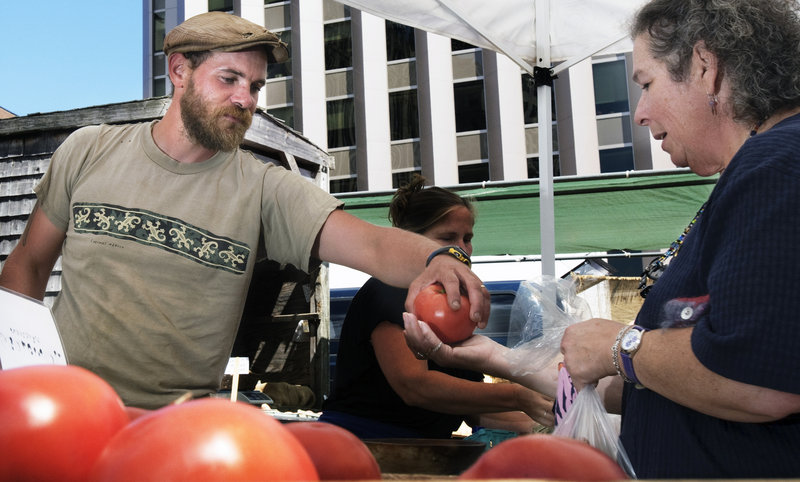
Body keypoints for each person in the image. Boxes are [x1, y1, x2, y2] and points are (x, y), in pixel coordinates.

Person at [0, 12, 489, 410]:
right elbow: (29, 262)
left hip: (176, 431)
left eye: (255, 87)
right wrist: (19, 375)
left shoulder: (264, 189)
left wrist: (438, 260)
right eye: (229, 78)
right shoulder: (90, 149)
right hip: (66, 409)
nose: (244, 99)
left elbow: (369, 241)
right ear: (179, 72)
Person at [406, 0, 800, 478]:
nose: (640, 113)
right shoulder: (764, 169)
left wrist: (621, 347)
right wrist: (497, 357)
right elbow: (666, 382)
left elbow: (756, 379)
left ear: (705, 67)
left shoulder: (778, 164)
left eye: (647, 84)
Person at [319, 175, 554, 439]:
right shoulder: (388, 290)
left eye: (467, 238)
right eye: (448, 238)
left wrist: (546, 423)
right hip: (362, 443)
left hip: (423, 451)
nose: (462, 250)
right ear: (413, 240)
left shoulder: (458, 303)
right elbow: (415, 386)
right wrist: (518, 396)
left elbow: (471, 408)